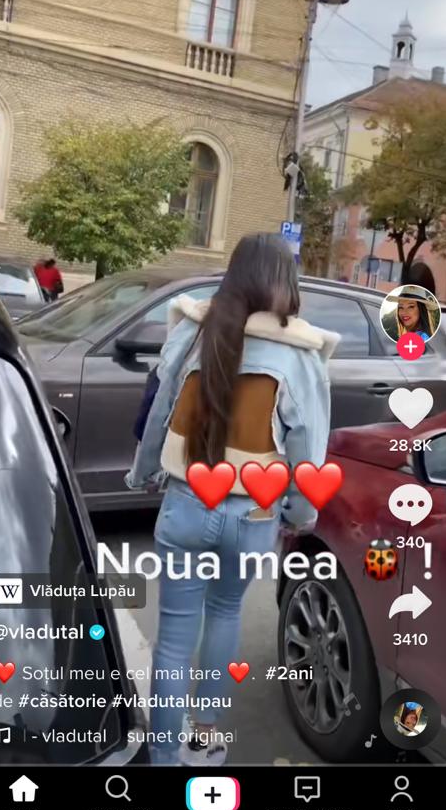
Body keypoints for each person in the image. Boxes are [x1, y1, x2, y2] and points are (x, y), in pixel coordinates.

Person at [130, 233, 340, 766]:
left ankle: (163, 756)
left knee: (173, 639)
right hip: (253, 513)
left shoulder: (194, 331)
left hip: (185, 503)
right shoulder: (301, 354)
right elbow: (307, 451)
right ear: (285, 283)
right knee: (225, 614)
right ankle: (205, 739)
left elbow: (159, 412)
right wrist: (300, 513)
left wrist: (142, 472)